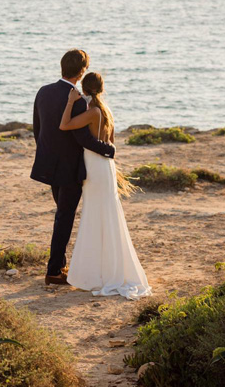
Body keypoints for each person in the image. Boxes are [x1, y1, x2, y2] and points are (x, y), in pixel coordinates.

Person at [59, 72, 151, 300]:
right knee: (106, 216)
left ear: (85, 88)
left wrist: (70, 101)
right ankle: (108, 269)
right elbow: (110, 142)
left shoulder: (92, 112)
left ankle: (96, 274)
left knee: (94, 216)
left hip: (94, 168)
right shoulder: (106, 111)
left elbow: (64, 125)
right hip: (105, 166)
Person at [30, 49, 115, 286]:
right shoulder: (77, 99)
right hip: (70, 170)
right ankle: (54, 271)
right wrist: (109, 150)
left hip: (49, 165)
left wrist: (47, 155)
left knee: (62, 215)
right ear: (81, 71)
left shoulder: (43, 92)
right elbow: (83, 140)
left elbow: (38, 129)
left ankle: (61, 264)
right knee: (64, 218)